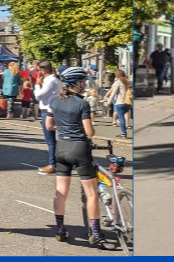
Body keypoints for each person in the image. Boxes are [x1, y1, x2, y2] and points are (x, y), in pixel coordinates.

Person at [46, 67, 115, 250]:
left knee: (61, 192)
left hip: (61, 148)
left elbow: (49, 125)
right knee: (91, 193)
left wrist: (63, 127)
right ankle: (95, 233)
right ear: (75, 83)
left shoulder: (55, 101)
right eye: (83, 82)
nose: (85, 85)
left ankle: (60, 230)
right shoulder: (82, 104)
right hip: (79, 148)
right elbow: (90, 131)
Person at [34, 61, 62, 175]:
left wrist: (37, 84)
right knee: (52, 140)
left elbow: (39, 96)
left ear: (43, 70)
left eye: (39, 70)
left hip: (48, 110)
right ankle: (54, 163)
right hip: (51, 109)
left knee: (50, 140)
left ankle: (52, 164)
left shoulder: (50, 81)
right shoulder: (54, 79)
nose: (38, 73)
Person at [105, 70, 132, 139]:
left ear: (116, 76)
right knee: (125, 115)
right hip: (128, 102)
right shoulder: (128, 82)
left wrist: (108, 102)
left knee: (121, 117)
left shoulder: (118, 82)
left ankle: (123, 134)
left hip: (120, 102)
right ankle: (124, 131)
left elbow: (113, 93)